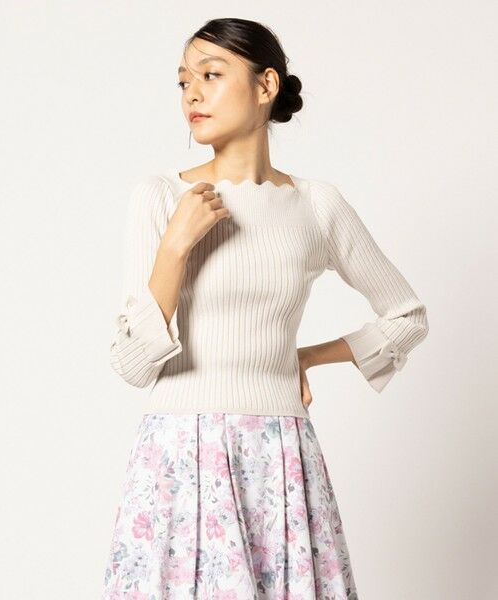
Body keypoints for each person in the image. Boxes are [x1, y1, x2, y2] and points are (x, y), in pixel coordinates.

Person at [101, 17, 428, 600]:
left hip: (279, 457)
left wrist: (307, 356)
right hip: (177, 458)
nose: (192, 94)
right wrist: (175, 247)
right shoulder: (162, 196)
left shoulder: (316, 205)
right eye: (183, 81)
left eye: (211, 74)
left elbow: (406, 316)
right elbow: (131, 364)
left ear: (266, 85)